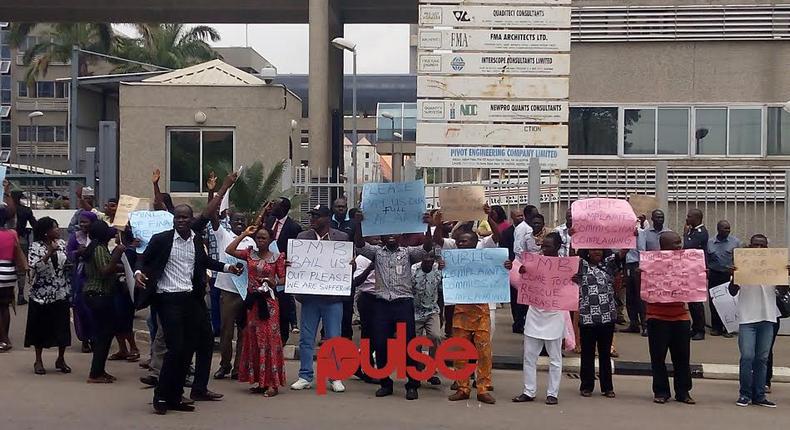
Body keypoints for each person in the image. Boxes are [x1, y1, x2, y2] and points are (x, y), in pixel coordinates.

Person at [134, 173, 243, 415]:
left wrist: (227, 267)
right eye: (178, 218)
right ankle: (161, 396)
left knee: (198, 343)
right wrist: (139, 272)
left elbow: (204, 259)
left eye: (185, 218)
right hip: (168, 299)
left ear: (191, 220)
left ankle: (184, 393)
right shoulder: (161, 239)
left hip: (191, 299)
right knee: (176, 348)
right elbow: (143, 258)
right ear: (173, 219)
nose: (182, 221)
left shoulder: (195, 239)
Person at [354, 211, 433, 400]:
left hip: (403, 304)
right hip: (381, 305)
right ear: (381, 236)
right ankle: (385, 383)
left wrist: (428, 226)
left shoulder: (407, 253)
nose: (391, 235)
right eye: (386, 233)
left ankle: (412, 384)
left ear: (400, 236)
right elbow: (359, 244)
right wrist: (358, 224)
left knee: (408, 345)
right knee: (380, 344)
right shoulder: (376, 253)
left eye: (395, 233)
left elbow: (426, 248)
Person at [446, 226, 511, 405]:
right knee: (460, 351)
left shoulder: (487, 259)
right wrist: (443, 266)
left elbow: (501, 271)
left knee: (484, 352)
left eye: (464, 241)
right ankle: (462, 387)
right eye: (458, 241)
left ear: (475, 243)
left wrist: (505, 266)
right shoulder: (452, 261)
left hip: (481, 311)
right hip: (461, 312)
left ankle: (483, 388)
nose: (460, 243)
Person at [289, 205, 349, 393]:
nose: (312, 219)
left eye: (316, 216)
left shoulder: (341, 238)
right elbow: (296, 262)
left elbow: (346, 265)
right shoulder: (302, 238)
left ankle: (335, 376)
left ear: (327, 218)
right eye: (311, 216)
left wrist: (350, 264)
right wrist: (292, 264)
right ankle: (305, 375)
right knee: (307, 338)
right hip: (310, 297)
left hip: (332, 297)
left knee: (333, 338)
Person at [226, 225, 286, 397]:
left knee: (270, 340)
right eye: (258, 237)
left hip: (269, 303)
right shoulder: (249, 253)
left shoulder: (277, 257)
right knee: (254, 339)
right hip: (252, 302)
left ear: (271, 240)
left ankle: (272, 383)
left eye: (263, 238)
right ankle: (260, 381)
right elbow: (229, 250)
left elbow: (283, 277)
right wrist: (245, 234)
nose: (260, 241)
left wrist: (274, 281)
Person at [513, 232, 566, 406]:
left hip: (554, 315)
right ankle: (529, 391)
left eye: (548, 246)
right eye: (542, 245)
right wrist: (522, 272)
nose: (543, 249)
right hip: (535, 313)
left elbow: (571, 289)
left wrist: (573, 279)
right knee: (529, 356)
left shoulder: (565, 266)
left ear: (557, 247)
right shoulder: (534, 262)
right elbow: (522, 280)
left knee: (555, 358)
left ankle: (553, 393)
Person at [730, 234, 780, 408]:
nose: (758, 249)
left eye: (762, 246)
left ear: (767, 248)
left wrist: (785, 273)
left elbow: (782, 289)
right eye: (755, 245)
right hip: (747, 318)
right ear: (750, 246)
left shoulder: (774, 266)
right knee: (747, 357)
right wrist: (735, 275)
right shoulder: (743, 265)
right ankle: (745, 394)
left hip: (768, 317)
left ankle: (759, 395)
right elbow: (732, 291)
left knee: (762, 358)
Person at [647, 231, 695, 405]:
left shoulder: (688, 263)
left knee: (682, 358)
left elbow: (695, 287)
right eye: (675, 243)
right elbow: (642, 292)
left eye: (679, 242)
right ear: (663, 246)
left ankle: (683, 392)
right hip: (657, 316)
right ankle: (661, 391)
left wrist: (700, 273)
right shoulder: (651, 264)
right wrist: (642, 275)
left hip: (680, 317)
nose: (679, 246)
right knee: (658, 358)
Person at [212, 211, 257, 380]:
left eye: (242, 220)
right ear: (229, 222)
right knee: (226, 331)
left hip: (245, 291)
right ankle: (225, 364)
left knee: (244, 332)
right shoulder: (224, 234)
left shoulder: (252, 241)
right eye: (236, 220)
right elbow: (212, 218)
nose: (239, 222)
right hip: (228, 290)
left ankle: (239, 367)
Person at [574, 248, 623, 398]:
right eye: (593, 249)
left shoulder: (608, 264)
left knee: (605, 353)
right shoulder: (581, 265)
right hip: (587, 315)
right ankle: (587, 386)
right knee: (587, 353)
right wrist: (573, 234)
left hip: (607, 315)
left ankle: (607, 387)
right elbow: (571, 256)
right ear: (587, 251)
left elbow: (622, 253)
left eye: (599, 250)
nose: (597, 252)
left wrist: (631, 235)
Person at [25, 217, 72, 375]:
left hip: (60, 292)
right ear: (46, 231)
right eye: (54, 227)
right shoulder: (35, 247)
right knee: (40, 329)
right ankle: (38, 360)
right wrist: (48, 254)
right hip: (41, 294)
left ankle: (61, 358)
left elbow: (66, 264)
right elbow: (35, 267)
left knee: (62, 328)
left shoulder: (62, 244)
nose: (58, 230)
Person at [83, 220, 126, 383]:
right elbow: (105, 270)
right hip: (99, 294)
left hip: (97, 295)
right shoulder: (99, 249)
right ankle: (95, 373)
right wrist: (117, 253)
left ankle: (99, 370)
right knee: (104, 334)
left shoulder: (94, 247)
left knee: (106, 333)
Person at [264, 197, 302, 341]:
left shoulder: (294, 227)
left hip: (283, 272)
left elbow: (297, 251)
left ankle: (283, 338)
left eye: (275, 204)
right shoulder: (269, 221)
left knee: (283, 306)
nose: (272, 206)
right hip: (267, 268)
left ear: (283, 208)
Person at [66, 210, 98, 354]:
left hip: (97, 276)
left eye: (86, 221)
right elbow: (69, 254)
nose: (83, 224)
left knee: (95, 310)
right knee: (81, 309)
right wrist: (77, 252)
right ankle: (84, 340)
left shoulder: (99, 236)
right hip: (81, 277)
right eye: (81, 221)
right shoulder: (75, 237)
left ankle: (95, 338)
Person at [352, 238, 381, 384]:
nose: (378, 239)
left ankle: (359, 364)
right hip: (368, 299)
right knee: (368, 337)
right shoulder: (362, 259)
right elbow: (355, 281)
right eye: (375, 237)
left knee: (380, 336)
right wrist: (370, 268)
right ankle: (367, 368)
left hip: (384, 300)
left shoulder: (386, 255)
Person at [411, 252, 442, 387]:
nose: (428, 261)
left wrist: (442, 313)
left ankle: (432, 369)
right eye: (426, 258)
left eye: (431, 258)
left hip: (432, 310)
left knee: (436, 336)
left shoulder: (438, 270)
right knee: (415, 342)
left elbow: (441, 292)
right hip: (415, 311)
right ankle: (417, 371)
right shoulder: (413, 270)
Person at [708, 220, 741, 338]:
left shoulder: (735, 242)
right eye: (725, 228)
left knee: (728, 302)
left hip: (728, 275)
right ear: (718, 229)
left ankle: (728, 328)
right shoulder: (710, 242)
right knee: (714, 301)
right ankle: (716, 328)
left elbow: (740, 258)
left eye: (728, 228)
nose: (727, 230)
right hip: (714, 274)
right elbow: (707, 258)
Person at [0, 206, 26, 352]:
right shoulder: (12, 233)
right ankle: (5, 337)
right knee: (5, 306)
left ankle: (3, 340)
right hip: (9, 273)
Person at [6, 188, 35, 306]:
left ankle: (8, 295)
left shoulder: (6, 210)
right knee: (21, 269)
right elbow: (35, 224)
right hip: (21, 239)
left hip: (6, 239)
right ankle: (21, 295)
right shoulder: (26, 210)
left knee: (6, 266)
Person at [683, 209, 709, 341]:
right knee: (691, 301)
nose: (687, 218)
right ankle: (695, 327)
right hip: (690, 268)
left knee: (697, 302)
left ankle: (700, 330)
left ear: (697, 218)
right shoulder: (692, 231)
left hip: (697, 270)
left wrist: (685, 235)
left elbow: (688, 245)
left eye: (689, 216)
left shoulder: (701, 232)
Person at [501, 208, 527, 334]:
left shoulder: (528, 230)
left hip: (525, 267)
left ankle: (523, 321)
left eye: (522, 215)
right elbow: (503, 250)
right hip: (512, 268)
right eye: (517, 216)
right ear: (512, 218)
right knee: (515, 297)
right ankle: (517, 322)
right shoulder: (507, 233)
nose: (520, 218)